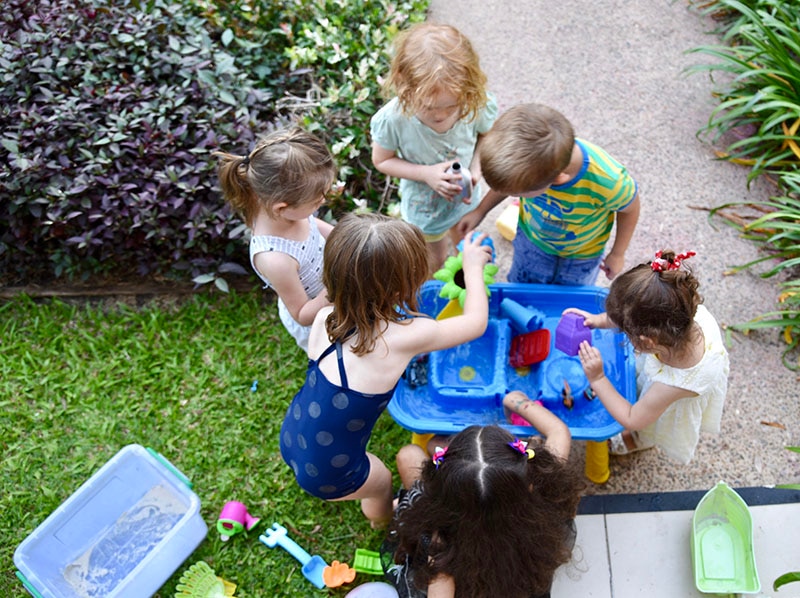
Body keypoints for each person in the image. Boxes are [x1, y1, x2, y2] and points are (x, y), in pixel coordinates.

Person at [279, 213, 493, 528]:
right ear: (399, 288)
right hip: (329, 473)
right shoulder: (406, 336)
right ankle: (383, 521)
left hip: (294, 433)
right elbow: (476, 323)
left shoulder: (325, 317)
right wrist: (473, 269)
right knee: (379, 482)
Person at [383, 391, 583, 598]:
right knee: (428, 447)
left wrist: (437, 556)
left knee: (410, 455)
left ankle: (391, 509)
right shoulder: (546, 499)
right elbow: (559, 431)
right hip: (518, 581)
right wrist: (518, 402)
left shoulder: (441, 545)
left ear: (444, 493)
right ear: (528, 483)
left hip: (466, 577)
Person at [568, 250, 730, 464]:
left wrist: (598, 378)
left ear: (648, 342)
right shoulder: (677, 311)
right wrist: (598, 320)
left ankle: (634, 442)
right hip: (668, 361)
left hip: (667, 402)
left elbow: (633, 418)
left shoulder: (672, 385)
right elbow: (633, 312)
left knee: (647, 428)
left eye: (625, 331)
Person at [456, 102, 640, 285]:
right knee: (524, 286)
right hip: (531, 241)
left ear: (558, 180)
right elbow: (506, 185)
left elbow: (629, 209)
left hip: (581, 255)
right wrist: (480, 211)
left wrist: (618, 253)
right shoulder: (537, 168)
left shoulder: (608, 181)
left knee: (569, 296)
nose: (512, 194)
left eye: (518, 193)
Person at [370, 22, 499, 274]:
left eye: (452, 107)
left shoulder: (475, 104)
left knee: (466, 245)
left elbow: (487, 135)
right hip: (424, 208)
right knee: (433, 261)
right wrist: (426, 174)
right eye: (429, 107)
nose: (440, 115)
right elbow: (382, 160)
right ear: (405, 88)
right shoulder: (394, 119)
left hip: (464, 197)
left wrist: (476, 168)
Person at [214, 127, 336, 354]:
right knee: (340, 360)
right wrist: (337, 284)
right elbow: (302, 315)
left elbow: (327, 232)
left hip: (334, 296)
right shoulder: (275, 258)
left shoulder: (291, 213)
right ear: (282, 207)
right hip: (321, 318)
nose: (323, 201)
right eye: (317, 200)